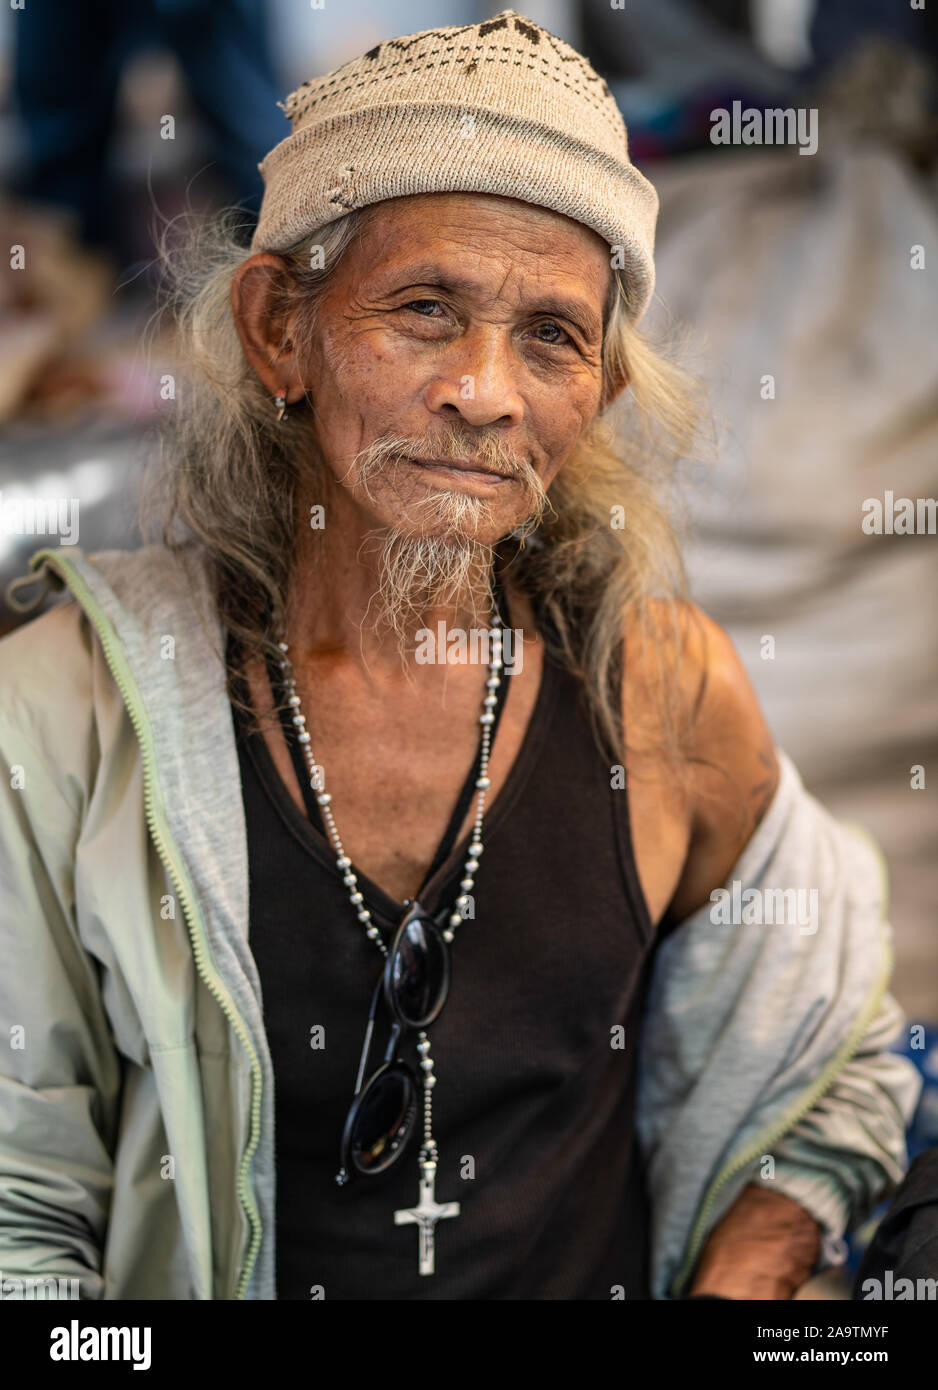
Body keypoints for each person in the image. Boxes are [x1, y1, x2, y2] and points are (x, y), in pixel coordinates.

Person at [0, 9, 921, 1301]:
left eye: (549, 334)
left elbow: (831, 1060)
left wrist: (743, 1283)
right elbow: (19, 1225)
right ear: (279, 331)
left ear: (596, 385)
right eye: (426, 308)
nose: (484, 391)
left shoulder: (658, 689)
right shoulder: (59, 718)